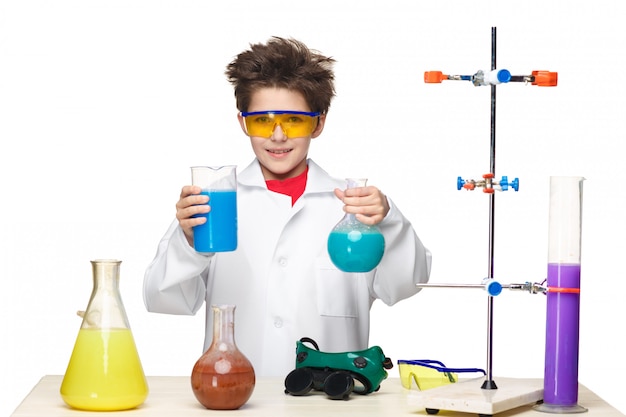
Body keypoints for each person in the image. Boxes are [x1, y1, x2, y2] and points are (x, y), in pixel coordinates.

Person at [143, 37, 431, 377]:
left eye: (293, 121)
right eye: (263, 121)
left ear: (318, 123)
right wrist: (188, 241)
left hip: (331, 402)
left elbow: (407, 284)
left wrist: (389, 221)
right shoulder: (215, 202)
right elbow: (163, 299)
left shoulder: (353, 207)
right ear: (243, 123)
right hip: (238, 398)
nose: (278, 136)